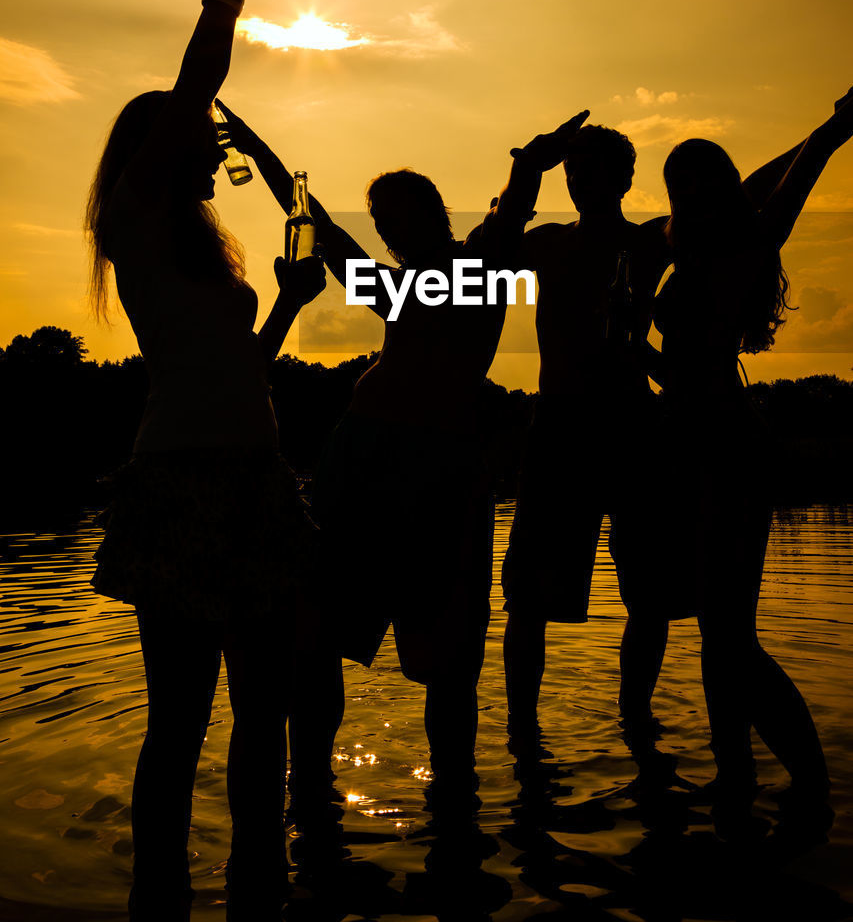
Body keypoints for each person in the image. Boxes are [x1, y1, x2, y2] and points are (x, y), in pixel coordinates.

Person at [213, 104, 588, 798]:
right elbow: (315, 220)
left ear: (434, 214)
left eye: (395, 215)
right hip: (362, 456)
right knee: (317, 631)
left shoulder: (475, 268)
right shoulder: (392, 285)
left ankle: (453, 795)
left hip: (445, 469)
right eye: (379, 222)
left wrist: (527, 168)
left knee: (450, 655)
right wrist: (258, 148)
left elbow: (509, 219)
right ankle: (312, 787)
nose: (385, 229)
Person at [84, 0, 326, 920]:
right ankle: (158, 896)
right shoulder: (135, 216)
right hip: (180, 482)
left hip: (253, 475)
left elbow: (239, 370)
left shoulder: (205, 247)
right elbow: (197, 77)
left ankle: (257, 887)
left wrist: (285, 306)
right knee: (180, 721)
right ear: (160, 147)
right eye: (200, 128)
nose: (216, 135)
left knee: (262, 717)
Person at [652, 87, 853, 816]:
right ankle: (733, 775)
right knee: (715, 631)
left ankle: (812, 786)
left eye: (706, 176)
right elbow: (676, 369)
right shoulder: (688, 254)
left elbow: (797, 174)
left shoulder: (748, 242)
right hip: (688, 442)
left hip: (727, 446)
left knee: (730, 634)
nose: (693, 189)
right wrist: (632, 342)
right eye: (680, 181)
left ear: (727, 188)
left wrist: (832, 127)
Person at [499, 118, 676, 747]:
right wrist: (527, 173)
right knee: (526, 596)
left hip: (631, 425)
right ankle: (522, 729)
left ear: (626, 177)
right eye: (571, 173)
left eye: (591, 171)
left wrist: (829, 130)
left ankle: (636, 717)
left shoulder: (651, 242)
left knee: (648, 593)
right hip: (559, 428)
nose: (578, 183)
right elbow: (477, 259)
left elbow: (739, 204)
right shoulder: (546, 244)